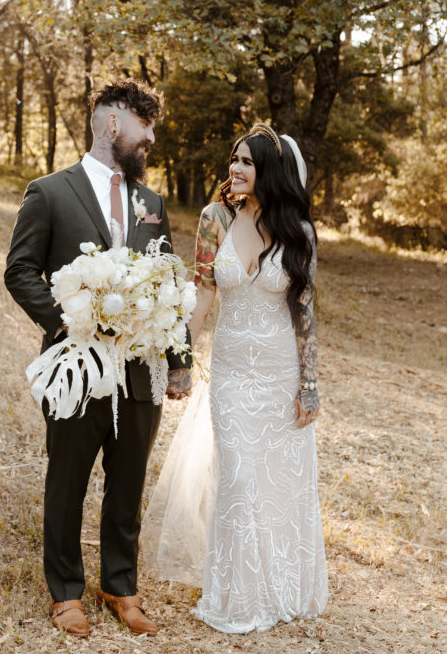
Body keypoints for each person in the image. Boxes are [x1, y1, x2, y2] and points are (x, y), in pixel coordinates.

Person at [4, 78, 192, 639]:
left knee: (128, 479)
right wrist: (67, 321)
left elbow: (168, 281)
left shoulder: (152, 202)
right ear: (115, 123)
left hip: (139, 368)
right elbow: (19, 271)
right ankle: (65, 592)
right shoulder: (50, 192)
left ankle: (120, 585)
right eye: (145, 125)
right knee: (67, 479)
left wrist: (178, 357)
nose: (151, 137)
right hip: (77, 364)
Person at [143, 122, 328, 633]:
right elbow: (201, 293)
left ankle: (280, 585)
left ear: (267, 168)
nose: (236, 168)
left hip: (279, 373)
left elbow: (305, 314)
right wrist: (181, 358)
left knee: (276, 482)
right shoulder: (214, 218)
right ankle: (234, 593)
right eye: (234, 159)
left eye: (247, 161)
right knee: (239, 479)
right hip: (229, 372)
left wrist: (309, 384)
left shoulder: (300, 232)